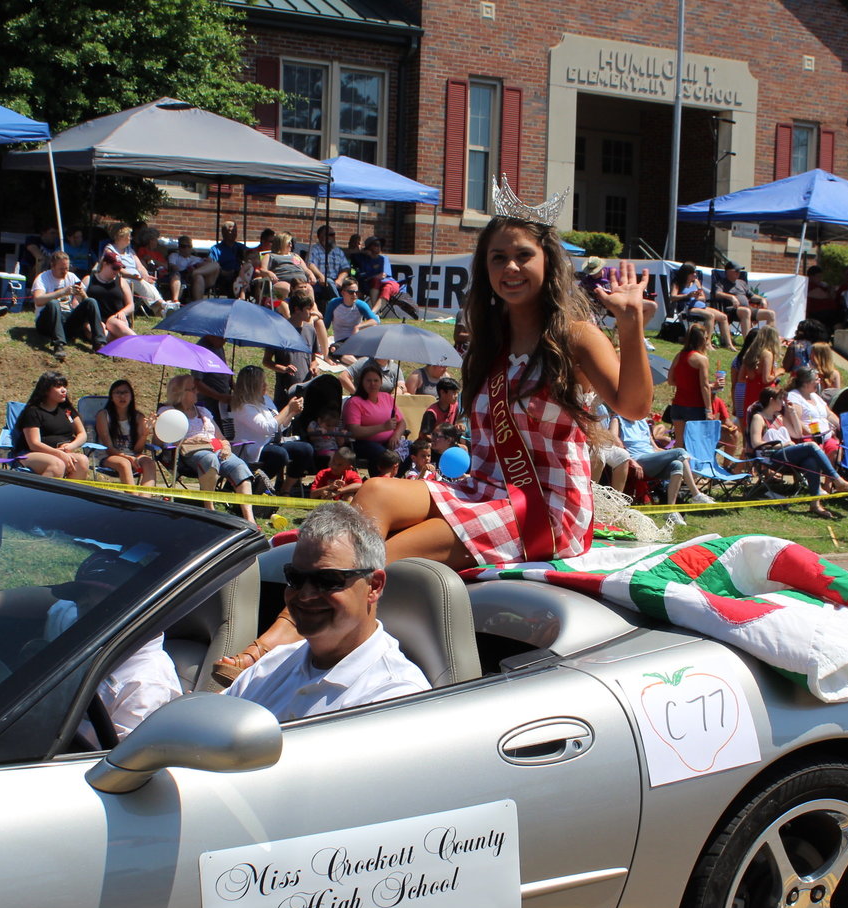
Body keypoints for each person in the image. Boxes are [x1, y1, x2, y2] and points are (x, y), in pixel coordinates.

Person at [216, 197, 653, 680]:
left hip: (543, 506)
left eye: (523, 255)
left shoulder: (574, 335)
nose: (511, 266)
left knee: (388, 554)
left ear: (548, 260)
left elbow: (633, 407)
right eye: (498, 257)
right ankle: (295, 625)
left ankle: (283, 638)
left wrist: (630, 326)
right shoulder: (490, 339)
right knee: (374, 490)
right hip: (483, 489)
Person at [0, 551, 181, 744]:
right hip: (23, 727)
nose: (84, 609)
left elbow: (119, 758)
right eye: (82, 600)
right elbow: (48, 601)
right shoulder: (79, 620)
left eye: (101, 603)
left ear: (139, 609)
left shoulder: (145, 681)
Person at [224, 504, 428, 721]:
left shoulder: (393, 698)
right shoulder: (271, 665)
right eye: (296, 578)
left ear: (374, 586)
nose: (306, 594)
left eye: (328, 580)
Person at [157, 374, 256, 523]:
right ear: (180, 393)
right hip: (190, 454)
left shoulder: (203, 412)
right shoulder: (168, 412)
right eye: (193, 389)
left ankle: (249, 518)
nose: (197, 391)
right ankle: (209, 509)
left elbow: (221, 437)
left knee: (240, 466)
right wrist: (187, 439)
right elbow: (162, 440)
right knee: (209, 459)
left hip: (217, 449)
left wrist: (226, 447)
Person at [745, 385, 848, 519]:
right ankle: (837, 480)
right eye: (781, 399)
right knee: (811, 445)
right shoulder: (759, 418)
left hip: (787, 454)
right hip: (771, 456)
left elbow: (797, 433)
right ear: (771, 400)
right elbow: (756, 443)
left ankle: (815, 504)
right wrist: (782, 444)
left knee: (811, 461)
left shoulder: (779, 417)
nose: (783, 402)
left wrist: (792, 413)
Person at [231, 365, 313, 496]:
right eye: (261, 382)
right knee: (279, 454)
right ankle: (256, 486)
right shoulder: (243, 407)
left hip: (270, 442)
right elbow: (267, 428)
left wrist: (292, 412)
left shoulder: (265, 401)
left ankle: (285, 489)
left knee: (305, 449)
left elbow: (278, 427)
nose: (265, 384)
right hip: (252, 447)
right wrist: (288, 407)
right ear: (251, 385)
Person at [612, 410, 715, 506]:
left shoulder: (642, 421)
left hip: (651, 459)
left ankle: (671, 510)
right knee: (680, 452)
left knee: (677, 464)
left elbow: (654, 448)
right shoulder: (617, 420)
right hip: (637, 461)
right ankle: (696, 494)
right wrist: (632, 461)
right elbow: (615, 444)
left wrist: (667, 454)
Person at [14, 371, 90, 481]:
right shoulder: (33, 412)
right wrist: (58, 453)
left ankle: (67, 497)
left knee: (82, 461)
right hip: (31, 454)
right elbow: (34, 444)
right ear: (45, 390)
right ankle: (39, 498)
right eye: (58, 386)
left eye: (64, 386)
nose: (64, 390)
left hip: (62, 452)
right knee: (57, 465)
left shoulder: (67, 410)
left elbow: (82, 434)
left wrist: (70, 446)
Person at [32, 250, 104, 358]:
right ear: (52, 265)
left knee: (91, 301)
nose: (65, 272)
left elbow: (84, 300)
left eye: (67, 268)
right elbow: (38, 300)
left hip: (67, 321)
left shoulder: (71, 277)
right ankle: (58, 345)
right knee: (53, 303)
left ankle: (99, 343)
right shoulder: (42, 278)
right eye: (61, 269)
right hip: (47, 322)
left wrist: (82, 295)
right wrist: (62, 292)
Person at [93, 378, 157, 487]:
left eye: (125, 392)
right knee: (124, 463)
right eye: (118, 393)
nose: (122, 396)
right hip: (108, 456)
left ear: (131, 396)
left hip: (133, 454)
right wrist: (127, 457)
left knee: (149, 463)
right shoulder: (103, 415)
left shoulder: (138, 417)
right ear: (111, 397)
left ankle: (145, 499)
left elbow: (137, 450)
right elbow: (108, 448)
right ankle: (133, 500)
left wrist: (144, 434)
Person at [343, 362, 406, 467]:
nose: (372, 384)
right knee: (385, 456)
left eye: (376, 380)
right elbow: (354, 431)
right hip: (363, 443)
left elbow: (402, 422)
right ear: (361, 382)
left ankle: (398, 480)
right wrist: (383, 427)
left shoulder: (387, 397)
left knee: (409, 452)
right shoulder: (354, 402)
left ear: (381, 382)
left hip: (389, 441)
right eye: (368, 381)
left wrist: (396, 435)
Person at [665, 322, 713, 449]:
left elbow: (670, 380)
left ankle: (680, 467)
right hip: (695, 407)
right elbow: (704, 386)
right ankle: (692, 469)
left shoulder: (679, 356)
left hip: (678, 405)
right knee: (696, 444)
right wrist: (709, 410)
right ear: (702, 340)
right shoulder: (701, 359)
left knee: (679, 443)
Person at [101, 225, 165, 316]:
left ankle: (161, 310)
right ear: (121, 237)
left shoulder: (130, 250)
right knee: (139, 282)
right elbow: (117, 269)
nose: (130, 238)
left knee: (148, 282)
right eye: (128, 236)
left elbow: (140, 267)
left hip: (136, 277)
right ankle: (162, 304)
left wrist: (145, 276)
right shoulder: (110, 250)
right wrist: (135, 276)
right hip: (121, 278)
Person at [83, 249, 136, 342]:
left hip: (116, 318)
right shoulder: (89, 279)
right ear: (105, 264)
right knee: (94, 330)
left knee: (113, 322)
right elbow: (76, 302)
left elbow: (131, 305)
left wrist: (123, 312)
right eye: (114, 268)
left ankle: (138, 341)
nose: (117, 271)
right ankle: (120, 341)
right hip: (95, 319)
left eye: (119, 268)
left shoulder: (121, 281)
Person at [733, 324, 780, 417]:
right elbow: (766, 379)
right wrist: (779, 372)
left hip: (750, 391)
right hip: (764, 394)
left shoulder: (750, 352)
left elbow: (740, 378)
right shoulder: (767, 353)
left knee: (751, 422)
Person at [325, 276, 380, 349]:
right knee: (334, 350)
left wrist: (358, 327)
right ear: (343, 293)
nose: (354, 295)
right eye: (351, 292)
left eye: (356, 292)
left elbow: (375, 321)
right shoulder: (334, 304)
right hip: (340, 341)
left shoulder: (360, 304)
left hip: (356, 339)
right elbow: (325, 325)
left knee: (374, 328)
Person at [168, 233, 220, 304]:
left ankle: (197, 305)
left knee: (215, 265)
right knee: (198, 276)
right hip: (182, 275)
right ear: (179, 247)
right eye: (183, 246)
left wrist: (204, 263)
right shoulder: (174, 255)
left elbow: (209, 266)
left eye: (189, 246)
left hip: (195, 275)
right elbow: (173, 267)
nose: (186, 249)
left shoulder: (196, 258)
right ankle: (196, 303)